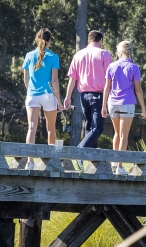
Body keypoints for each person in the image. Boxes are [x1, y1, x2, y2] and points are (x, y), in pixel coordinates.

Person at [102, 40, 146, 175]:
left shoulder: (111, 66)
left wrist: (103, 106)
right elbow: (138, 90)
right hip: (127, 103)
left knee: (116, 133)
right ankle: (120, 167)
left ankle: (115, 163)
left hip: (112, 103)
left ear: (120, 52)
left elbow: (106, 88)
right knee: (124, 136)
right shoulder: (134, 67)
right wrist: (144, 108)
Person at [64, 30, 112, 148]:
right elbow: (110, 77)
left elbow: (72, 78)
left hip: (83, 95)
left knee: (89, 127)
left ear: (88, 40)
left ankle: (89, 160)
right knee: (98, 127)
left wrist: (68, 97)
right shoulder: (104, 54)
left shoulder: (78, 55)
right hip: (99, 95)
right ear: (100, 40)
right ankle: (79, 152)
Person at [23, 28, 62, 169]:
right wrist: (59, 101)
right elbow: (55, 81)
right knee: (51, 129)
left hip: (32, 95)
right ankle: (52, 161)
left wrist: (30, 91)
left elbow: (26, 79)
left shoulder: (28, 55)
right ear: (49, 41)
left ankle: (30, 162)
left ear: (36, 39)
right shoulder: (53, 57)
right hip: (48, 95)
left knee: (31, 128)